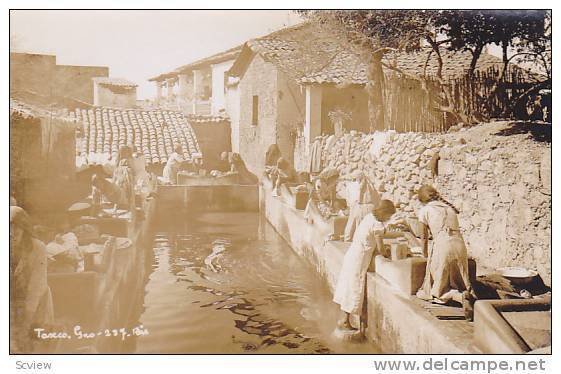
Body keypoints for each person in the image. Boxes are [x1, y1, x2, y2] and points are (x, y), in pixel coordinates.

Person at [333, 200, 402, 330]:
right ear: (383, 213)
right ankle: (344, 321)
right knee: (354, 287)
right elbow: (381, 248)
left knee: (346, 286)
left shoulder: (369, 217)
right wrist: (387, 254)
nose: (388, 219)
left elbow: (373, 236)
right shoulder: (377, 225)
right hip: (359, 258)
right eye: (388, 216)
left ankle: (342, 319)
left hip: (352, 254)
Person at [415, 185, 475, 319]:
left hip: (443, 246)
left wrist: (424, 254)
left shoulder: (425, 210)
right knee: (460, 281)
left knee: (436, 291)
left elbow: (423, 237)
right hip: (459, 245)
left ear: (422, 200)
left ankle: (458, 297)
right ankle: (466, 293)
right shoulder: (449, 208)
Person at [10, 207, 54, 353]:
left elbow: (36, 287)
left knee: (32, 346)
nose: (11, 234)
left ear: (24, 228)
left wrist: (26, 321)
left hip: (36, 306)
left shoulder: (37, 248)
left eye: (15, 229)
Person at [343, 171, 381, 242]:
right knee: (363, 226)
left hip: (356, 206)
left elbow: (348, 199)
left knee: (352, 224)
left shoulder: (350, 185)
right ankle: (362, 240)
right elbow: (376, 199)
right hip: (369, 207)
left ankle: (348, 239)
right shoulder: (370, 185)